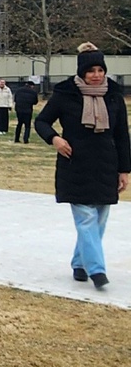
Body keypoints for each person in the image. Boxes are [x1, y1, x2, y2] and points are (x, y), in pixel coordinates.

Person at [34, 45, 130, 290]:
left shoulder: (114, 96)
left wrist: (124, 170)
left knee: (99, 219)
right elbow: (42, 121)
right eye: (91, 71)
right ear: (81, 72)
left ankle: (80, 262)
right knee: (85, 218)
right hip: (75, 163)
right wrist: (55, 139)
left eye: (100, 70)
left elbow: (122, 135)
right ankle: (97, 270)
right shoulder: (66, 94)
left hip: (106, 164)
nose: (96, 75)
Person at [13, 79, 39, 144]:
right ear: (32, 86)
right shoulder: (33, 92)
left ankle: (16, 138)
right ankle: (26, 139)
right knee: (27, 126)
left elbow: (15, 99)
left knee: (19, 124)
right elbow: (35, 102)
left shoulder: (18, 90)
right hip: (28, 110)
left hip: (19, 110)